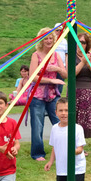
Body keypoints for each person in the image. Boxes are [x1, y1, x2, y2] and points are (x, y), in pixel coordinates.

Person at [29, 28, 67, 161]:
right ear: (41, 40)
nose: (49, 41)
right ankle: (38, 153)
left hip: (53, 94)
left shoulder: (56, 55)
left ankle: (63, 148)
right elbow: (33, 76)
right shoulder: (36, 55)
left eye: (51, 38)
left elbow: (65, 74)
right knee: (38, 124)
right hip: (37, 95)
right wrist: (50, 80)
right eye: (46, 38)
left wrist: (57, 69)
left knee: (60, 120)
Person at [44, 97, 86, 181]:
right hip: (61, 170)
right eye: (61, 110)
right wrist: (50, 161)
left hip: (76, 170)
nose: (63, 113)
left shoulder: (77, 128)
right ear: (56, 112)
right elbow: (55, 146)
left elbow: (80, 149)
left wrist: (74, 151)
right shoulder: (54, 128)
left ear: (72, 112)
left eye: (67, 110)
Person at [75, 33, 91, 145]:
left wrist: (88, 64)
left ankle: (81, 146)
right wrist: (83, 62)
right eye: (78, 41)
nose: (80, 44)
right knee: (74, 118)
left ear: (87, 44)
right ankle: (73, 145)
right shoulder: (70, 55)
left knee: (84, 119)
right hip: (74, 90)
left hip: (88, 91)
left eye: (83, 42)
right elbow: (72, 73)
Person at [54, 23, 68, 94]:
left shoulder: (65, 41)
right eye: (57, 30)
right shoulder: (51, 40)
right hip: (53, 66)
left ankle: (58, 98)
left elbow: (66, 55)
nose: (59, 32)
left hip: (62, 66)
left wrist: (66, 67)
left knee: (60, 84)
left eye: (61, 30)